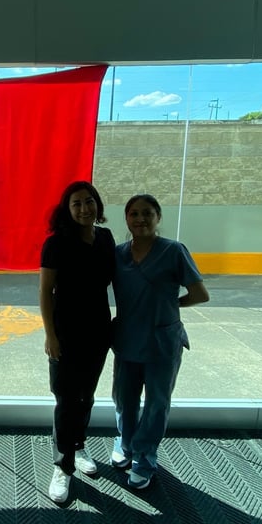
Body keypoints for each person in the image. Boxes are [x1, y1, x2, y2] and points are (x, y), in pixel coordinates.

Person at [110, 194, 209, 490]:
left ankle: (144, 458)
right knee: (124, 399)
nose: (140, 219)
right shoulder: (117, 254)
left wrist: (170, 304)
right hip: (128, 338)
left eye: (147, 213)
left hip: (161, 342)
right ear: (126, 219)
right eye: (134, 214)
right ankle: (126, 443)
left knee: (156, 404)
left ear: (158, 217)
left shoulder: (174, 251)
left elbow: (200, 294)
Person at [39, 181, 115, 503]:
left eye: (89, 201)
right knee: (66, 399)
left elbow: (117, 283)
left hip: (97, 331)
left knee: (86, 396)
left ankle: (79, 445)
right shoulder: (56, 244)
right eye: (77, 204)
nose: (84, 208)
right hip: (65, 334)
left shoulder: (106, 238)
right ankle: (63, 465)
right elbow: (45, 292)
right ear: (67, 210)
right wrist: (50, 335)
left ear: (97, 205)